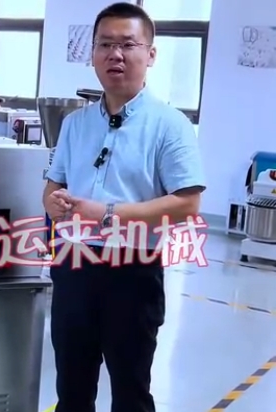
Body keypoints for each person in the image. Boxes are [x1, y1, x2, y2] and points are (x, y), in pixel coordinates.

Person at [42, 3, 206, 412]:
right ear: (93, 54)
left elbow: (188, 203)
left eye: (128, 44)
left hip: (131, 271)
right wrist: (55, 203)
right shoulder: (75, 124)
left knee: (130, 392)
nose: (115, 54)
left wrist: (107, 213)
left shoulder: (170, 125)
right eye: (105, 44)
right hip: (73, 264)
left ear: (150, 54)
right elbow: (52, 187)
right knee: (72, 389)